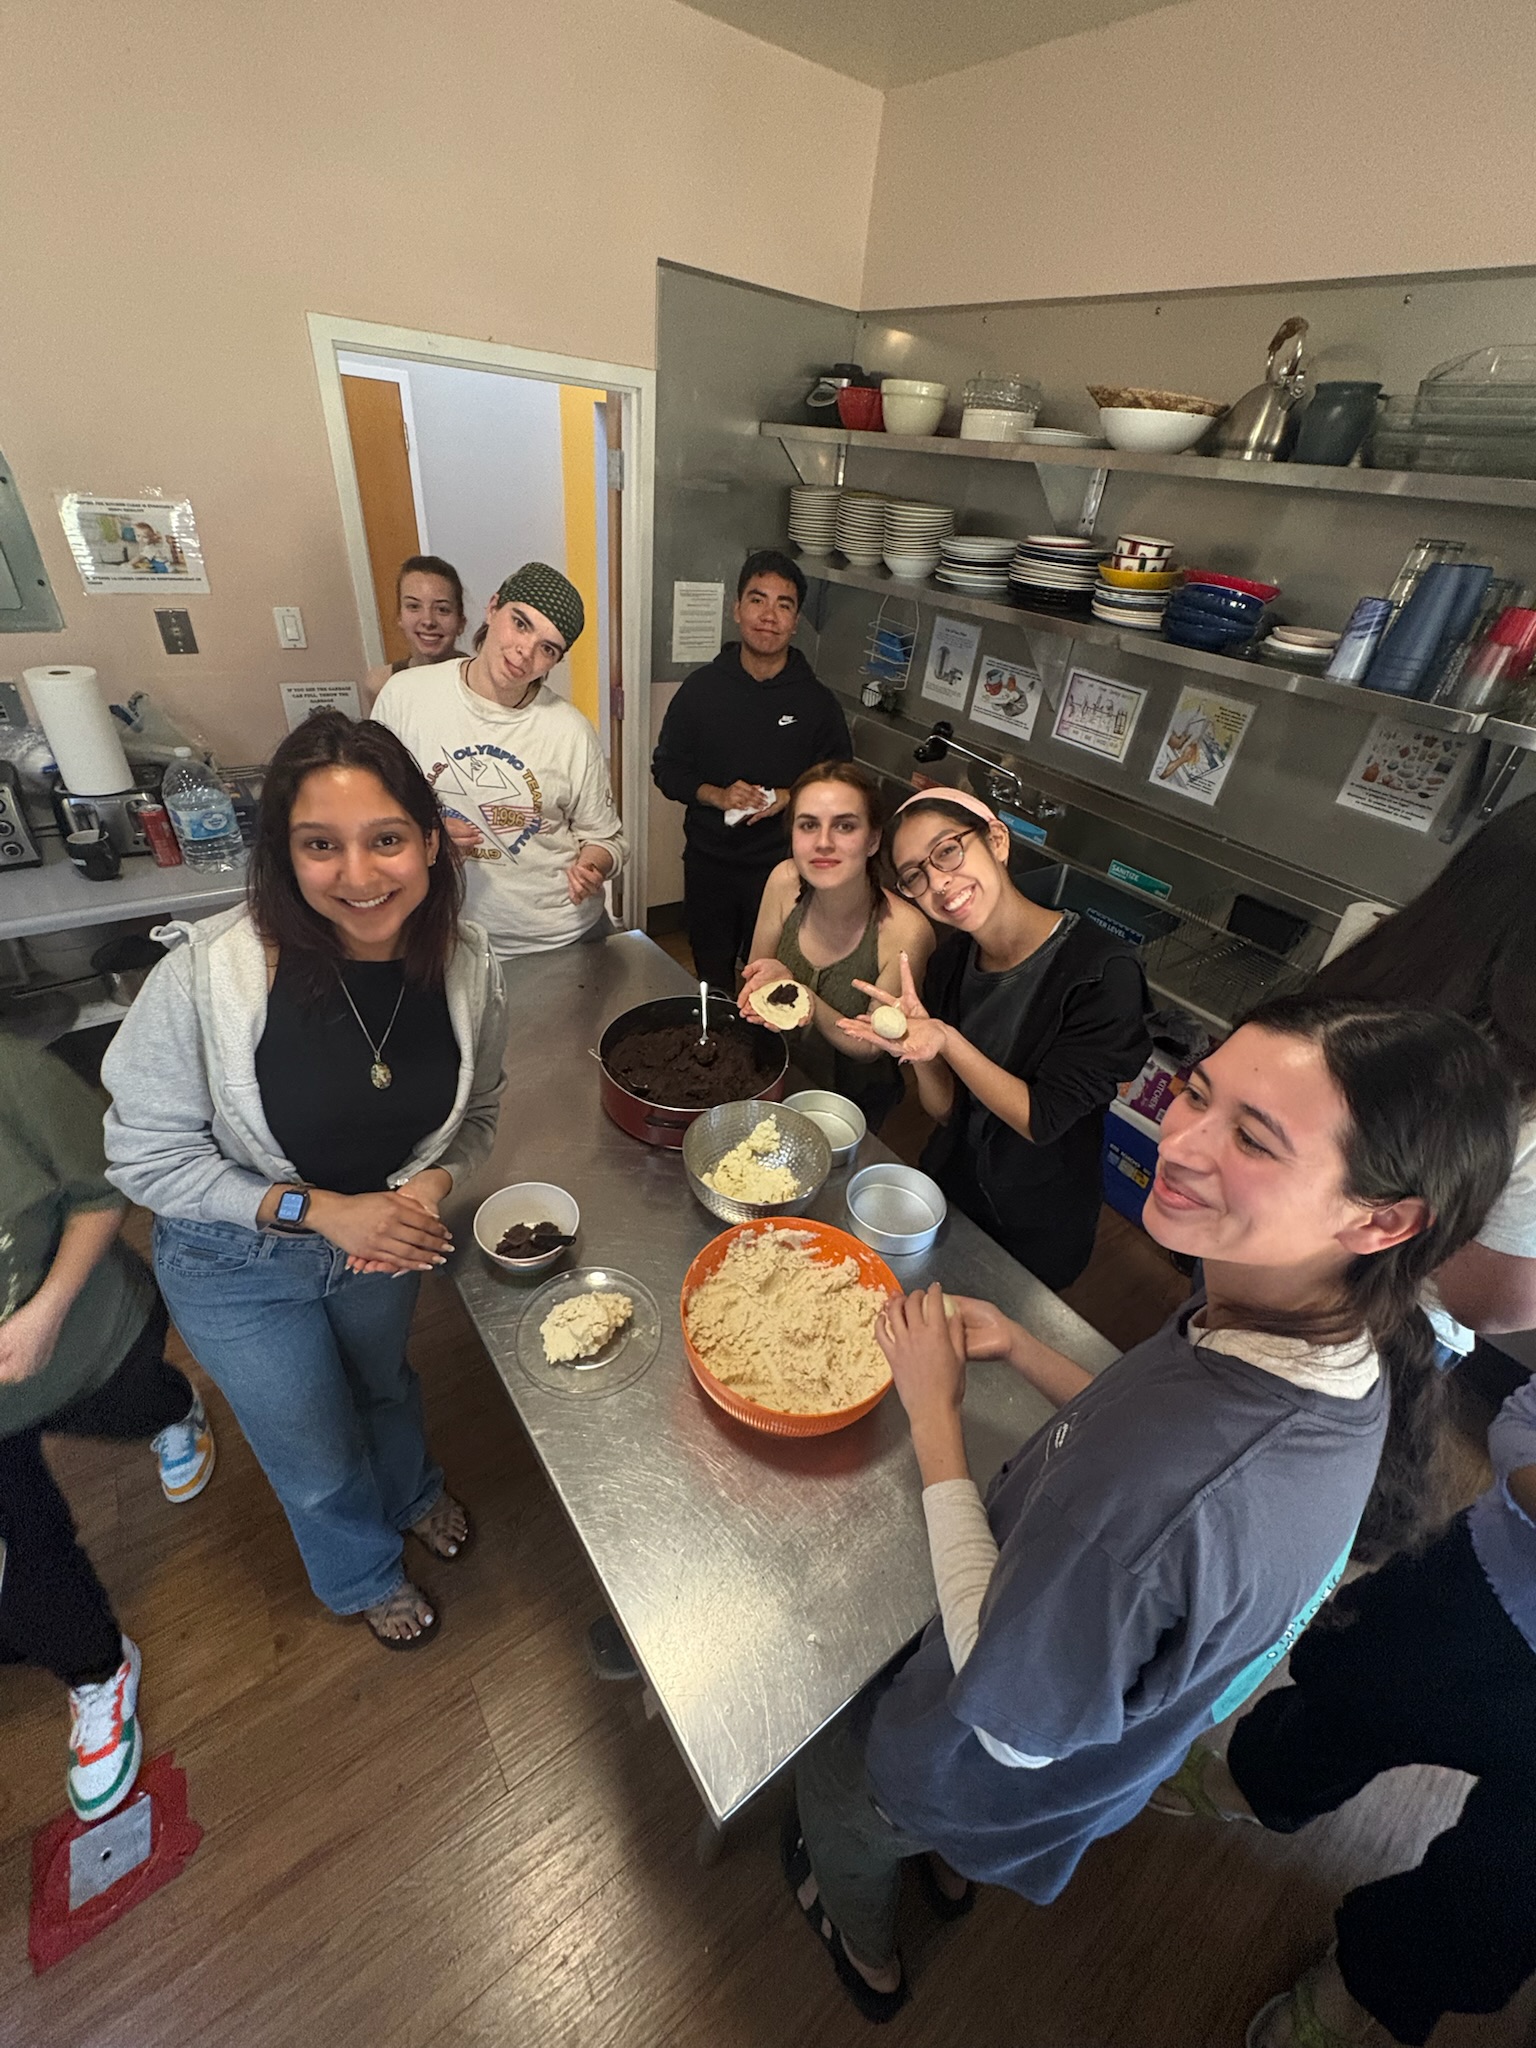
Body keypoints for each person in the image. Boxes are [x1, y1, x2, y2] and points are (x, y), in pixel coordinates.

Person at [782, 996, 1517, 2024]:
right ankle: (949, 1866)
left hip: (975, 1754)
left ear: (1382, 1218)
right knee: (953, 1833)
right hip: (1092, 1749)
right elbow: (1153, 1420)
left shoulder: (1168, 1503)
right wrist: (1026, 1345)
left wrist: (934, 1412)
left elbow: (1012, 1728)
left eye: (1254, 1138)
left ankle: (866, 1947)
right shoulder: (1319, 1337)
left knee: (835, 1784)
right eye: (1200, 1093)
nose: (1181, 1140)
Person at [102, 712, 506, 1650]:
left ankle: (410, 1494)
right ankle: (360, 1571)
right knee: (315, 1455)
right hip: (237, 1259)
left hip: (385, 1243)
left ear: (430, 840)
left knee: (386, 1387)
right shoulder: (208, 977)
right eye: (322, 846)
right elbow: (145, 1156)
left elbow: (477, 1117)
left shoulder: (468, 966)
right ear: (284, 855)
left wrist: (427, 1192)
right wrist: (317, 1211)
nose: (360, 878)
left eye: (387, 840)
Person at [0, 1032, 215, 1820]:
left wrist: (45, 1314)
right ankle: (97, 1672)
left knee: (131, 1407)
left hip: (88, 1339)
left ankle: (175, 1409)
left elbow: (102, 1191)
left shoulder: (15, 1078)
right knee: (26, 1551)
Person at [838, 790, 1150, 1291]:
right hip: (954, 1191)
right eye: (916, 875)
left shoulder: (1100, 973)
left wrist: (946, 1038)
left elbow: (1042, 1119)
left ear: (997, 841)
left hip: (1037, 1218)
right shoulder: (950, 963)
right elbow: (945, 1112)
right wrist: (916, 1051)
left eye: (948, 850)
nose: (939, 882)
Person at [1311, 791, 1536, 1358]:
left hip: (1270, 1245)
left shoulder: (1383, 947)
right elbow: (1486, 1302)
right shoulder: (1520, 1092)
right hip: (1381, 1328)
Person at [373, 561, 626, 958]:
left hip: (562, 937)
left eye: (547, 648)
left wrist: (594, 865)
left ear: (556, 662)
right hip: (449, 939)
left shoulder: (571, 730)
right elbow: (370, 810)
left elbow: (606, 838)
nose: (524, 652)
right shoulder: (405, 696)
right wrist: (426, 830)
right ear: (492, 608)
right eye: (520, 623)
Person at [651, 550, 851, 994]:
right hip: (709, 864)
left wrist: (788, 795)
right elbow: (666, 768)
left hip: (785, 867)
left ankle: (765, 1053)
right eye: (758, 600)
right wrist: (715, 794)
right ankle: (717, 1044)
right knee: (713, 975)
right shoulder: (701, 691)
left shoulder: (817, 703)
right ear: (736, 609)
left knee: (773, 977)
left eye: (784, 605)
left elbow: (841, 782)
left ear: (796, 620)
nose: (769, 615)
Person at [736, 762, 933, 1131]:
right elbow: (755, 981)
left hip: (851, 1102)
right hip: (778, 1070)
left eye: (845, 826)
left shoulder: (906, 931)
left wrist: (804, 995)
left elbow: (871, 1044)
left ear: (873, 840)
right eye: (808, 825)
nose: (823, 842)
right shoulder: (784, 882)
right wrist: (761, 986)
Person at [362, 555, 469, 708]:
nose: (428, 621)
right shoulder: (379, 685)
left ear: (461, 622)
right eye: (414, 606)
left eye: (442, 609)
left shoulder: (480, 685)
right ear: (400, 616)